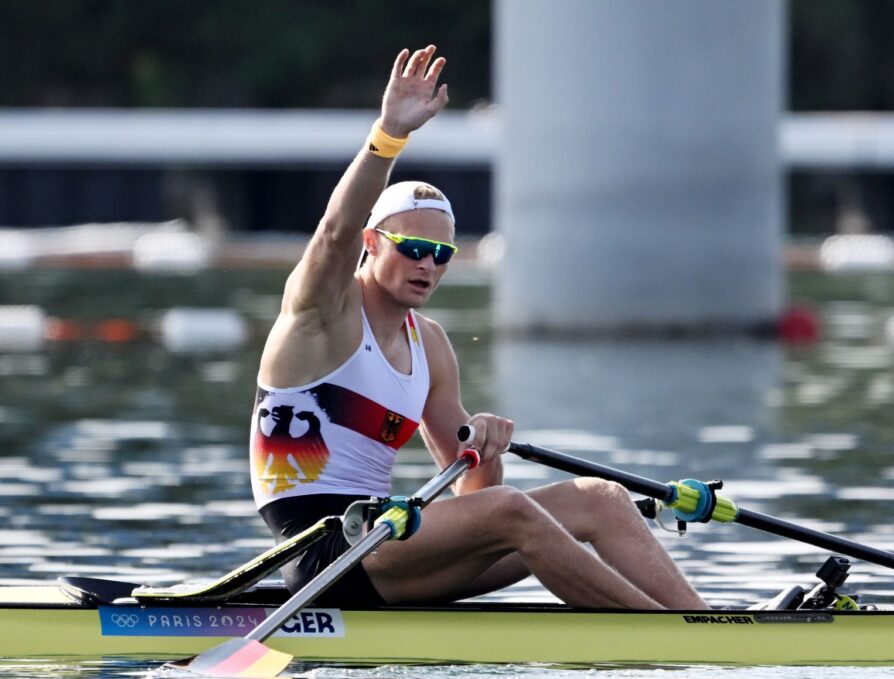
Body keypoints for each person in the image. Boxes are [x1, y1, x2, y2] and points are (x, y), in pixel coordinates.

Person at [250, 45, 708, 611]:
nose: (428, 265)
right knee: (514, 511)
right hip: (324, 553)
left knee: (600, 498)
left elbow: (477, 501)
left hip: (384, 543)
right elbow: (333, 232)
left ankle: (706, 621)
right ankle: (669, 635)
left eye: (441, 254)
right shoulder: (321, 317)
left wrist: (483, 445)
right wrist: (388, 136)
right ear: (371, 245)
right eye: (414, 249)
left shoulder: (432, 346)